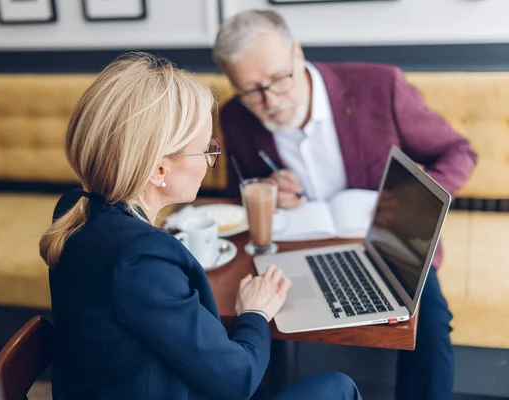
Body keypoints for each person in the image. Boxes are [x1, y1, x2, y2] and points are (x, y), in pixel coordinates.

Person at [38, 52, 363, 400]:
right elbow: (238, 380)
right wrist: (255, 311)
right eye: (206, 149)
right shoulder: (141, 257)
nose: (211, 162)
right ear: (159, 170)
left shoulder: (76, 208)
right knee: (338, 388)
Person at [213, 10, 477, 400]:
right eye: (252, 91)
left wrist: (411, 204)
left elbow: (458, 151)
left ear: (297, 54)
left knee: (430, 324)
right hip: (297, 242)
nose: (270, 100)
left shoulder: (379, 86)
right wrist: (267, 188)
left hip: (388, 240)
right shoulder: (235, 115)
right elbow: (241, 191)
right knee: (244, 312)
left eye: (278, 79)